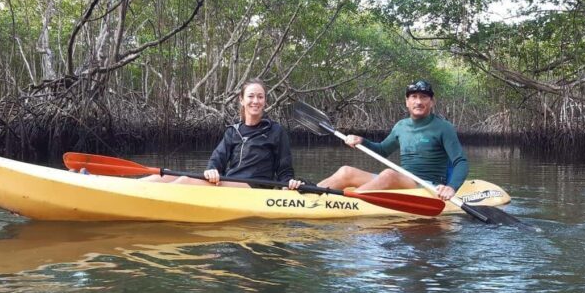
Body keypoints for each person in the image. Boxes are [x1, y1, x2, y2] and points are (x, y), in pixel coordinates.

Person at [317, 80, 468, 200]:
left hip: (426, 186)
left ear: (432, 101)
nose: (419, 102)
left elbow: (460, 161)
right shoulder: (401, 126)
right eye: (414, 97)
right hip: (401, 181)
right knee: (346, 172)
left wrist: (451, 187)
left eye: (424, 97)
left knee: (389, 174)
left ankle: (346, 203)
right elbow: (382, 150)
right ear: (407, 101)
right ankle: (305, 195)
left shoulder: (443, 127)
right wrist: (361, 141)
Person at [143, 78, 303, 190]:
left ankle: (149, 203)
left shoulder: (276, 131)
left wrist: (288, 184)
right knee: (167, 176)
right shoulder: (233, 132)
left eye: (260, 97)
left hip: (254, 188)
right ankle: (130, 190)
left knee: (185, 181)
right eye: (251, 96)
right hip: (230, 182)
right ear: (241, 100)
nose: (256, 101)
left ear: (265, 101)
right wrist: (212, 170)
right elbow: (216, 161)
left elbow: (285, 171)